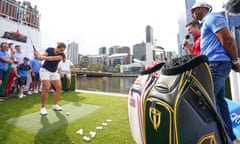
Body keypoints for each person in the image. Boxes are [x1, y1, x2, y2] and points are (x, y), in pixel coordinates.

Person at [191, 1, 240, 143]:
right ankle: (229, 137)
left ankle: (214, 137)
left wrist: (235, 61)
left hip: (217, 64)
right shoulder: (206, 22)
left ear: (202, 8)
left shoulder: (213, 18)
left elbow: (228, 39)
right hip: (214, 64)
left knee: (205, 100)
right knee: (219, 101)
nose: (192, 14)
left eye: (193, 10)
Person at [34, 42, 66, 115]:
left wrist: (41, 57)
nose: (61, 52)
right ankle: (43, 108)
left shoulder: (61, 55)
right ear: (57, 47)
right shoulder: (50, 49)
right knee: (47, 88)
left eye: (62, 51)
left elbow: (52, 58)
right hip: (44, 70)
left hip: (54, 72)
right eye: (60, 50)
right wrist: (38, 56)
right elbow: (41, 58)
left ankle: (55, 105)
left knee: (58, 87)